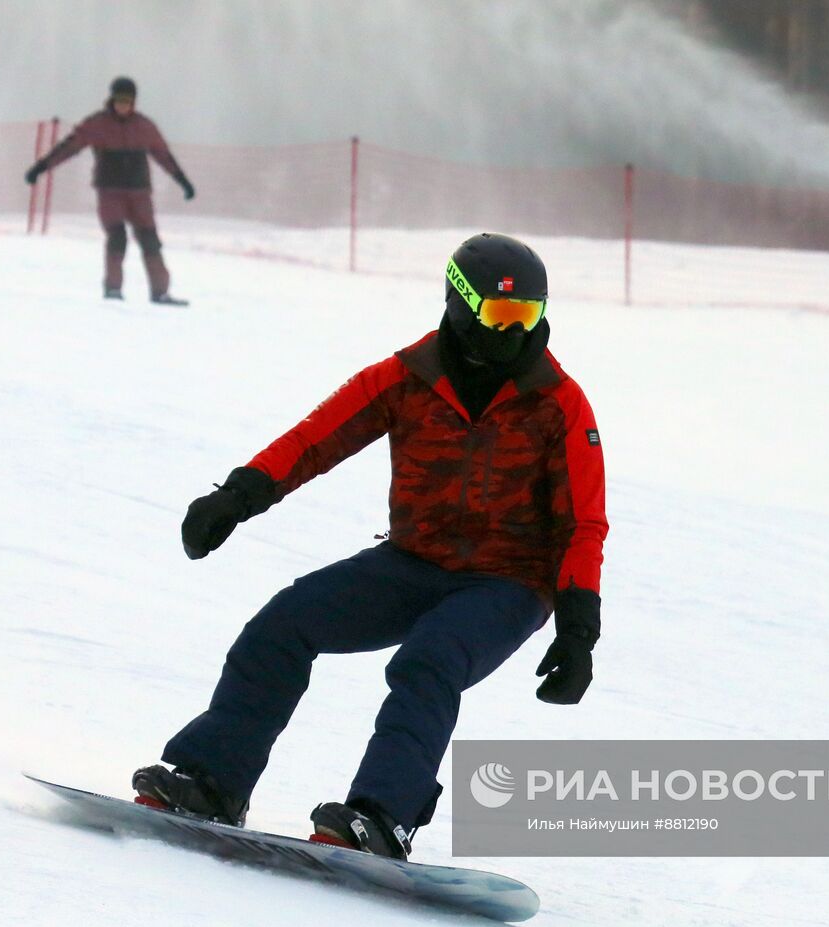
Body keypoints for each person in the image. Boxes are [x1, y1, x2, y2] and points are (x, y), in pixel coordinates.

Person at [132, 233, 608, 859]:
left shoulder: (559, 404)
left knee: (431, 658)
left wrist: (577, 630)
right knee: (284, 624)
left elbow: (584, 523)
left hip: (510, 581)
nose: (515, 334)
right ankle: (213, 779)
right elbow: (316, 439)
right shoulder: (407, 378)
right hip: (413, 563)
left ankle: (385, 815)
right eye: (501, 315)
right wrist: (238, 496)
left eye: (529, 317)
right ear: (461, 305)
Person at [25, 76, 194, 304]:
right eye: (119, 100)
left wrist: (182, 181)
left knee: (149, 239)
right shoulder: (98, 125)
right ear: (112, 99)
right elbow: (69, 147)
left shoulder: (144, 127)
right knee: (117, 237)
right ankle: (113, 288)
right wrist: (41, 168)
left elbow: (163, 155)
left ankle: (160, 292)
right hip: (110, 191)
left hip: (139, 192)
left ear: (134, 102)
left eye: (128, 101)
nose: (123, 105)